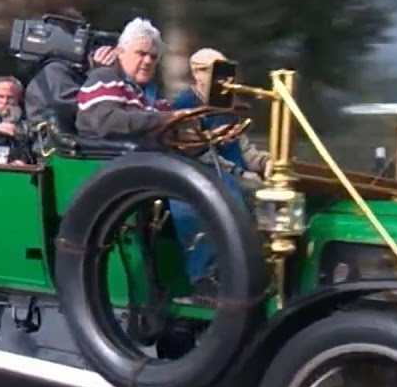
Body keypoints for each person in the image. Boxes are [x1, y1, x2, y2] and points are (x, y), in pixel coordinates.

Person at [75, 17, 249, 293]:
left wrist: (206, 139)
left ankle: (228, 267)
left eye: (153, 56)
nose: (147, 61)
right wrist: (166, 118)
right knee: (196, 189)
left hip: (149, 164)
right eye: (140, 53)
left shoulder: (147, 95)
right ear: (120, 52)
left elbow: (169, 127)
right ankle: (202, 277)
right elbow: (107, 122)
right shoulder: (105, 79)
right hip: (118, 169)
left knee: (223, 182)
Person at [171, 47, 268, 182]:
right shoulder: (186, 104)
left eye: (226, 72)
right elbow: (197, 153)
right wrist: (239, 173)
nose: (225, 79)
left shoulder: (225, 104)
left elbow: (242, 147)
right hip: (211, 182)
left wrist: (265, 162)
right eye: (217, 71)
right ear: (197, 73)